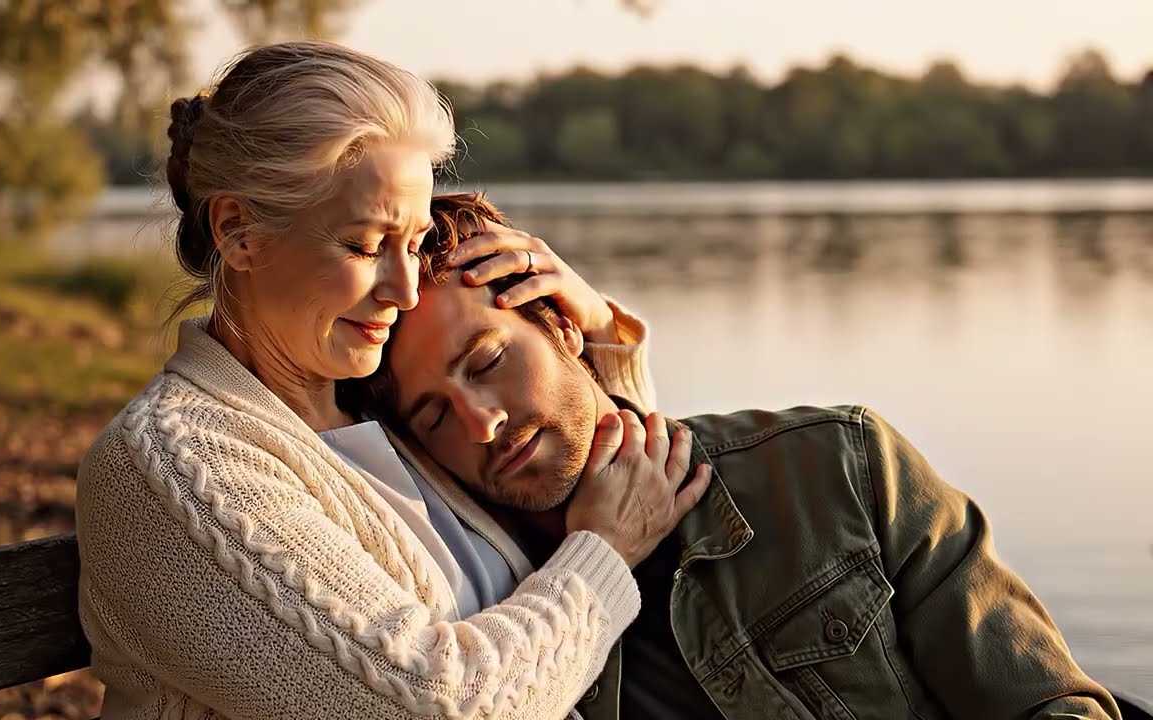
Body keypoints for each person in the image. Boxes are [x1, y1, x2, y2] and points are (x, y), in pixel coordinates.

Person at [75, 42, 710, 720]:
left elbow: (602, 503)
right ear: (239, 233)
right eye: (365, 245)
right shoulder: (177, 467)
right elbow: (433, 705)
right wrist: (603, 555)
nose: (405, 289)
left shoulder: (382, 413)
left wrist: (586, 337)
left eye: (412, 242)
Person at [349, 192, 1123, 720]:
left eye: (487, 363)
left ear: (559, 323)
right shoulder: (482, 615)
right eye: (434, 414)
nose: (481, 423)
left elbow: (1046, 705)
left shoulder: (837, 468)